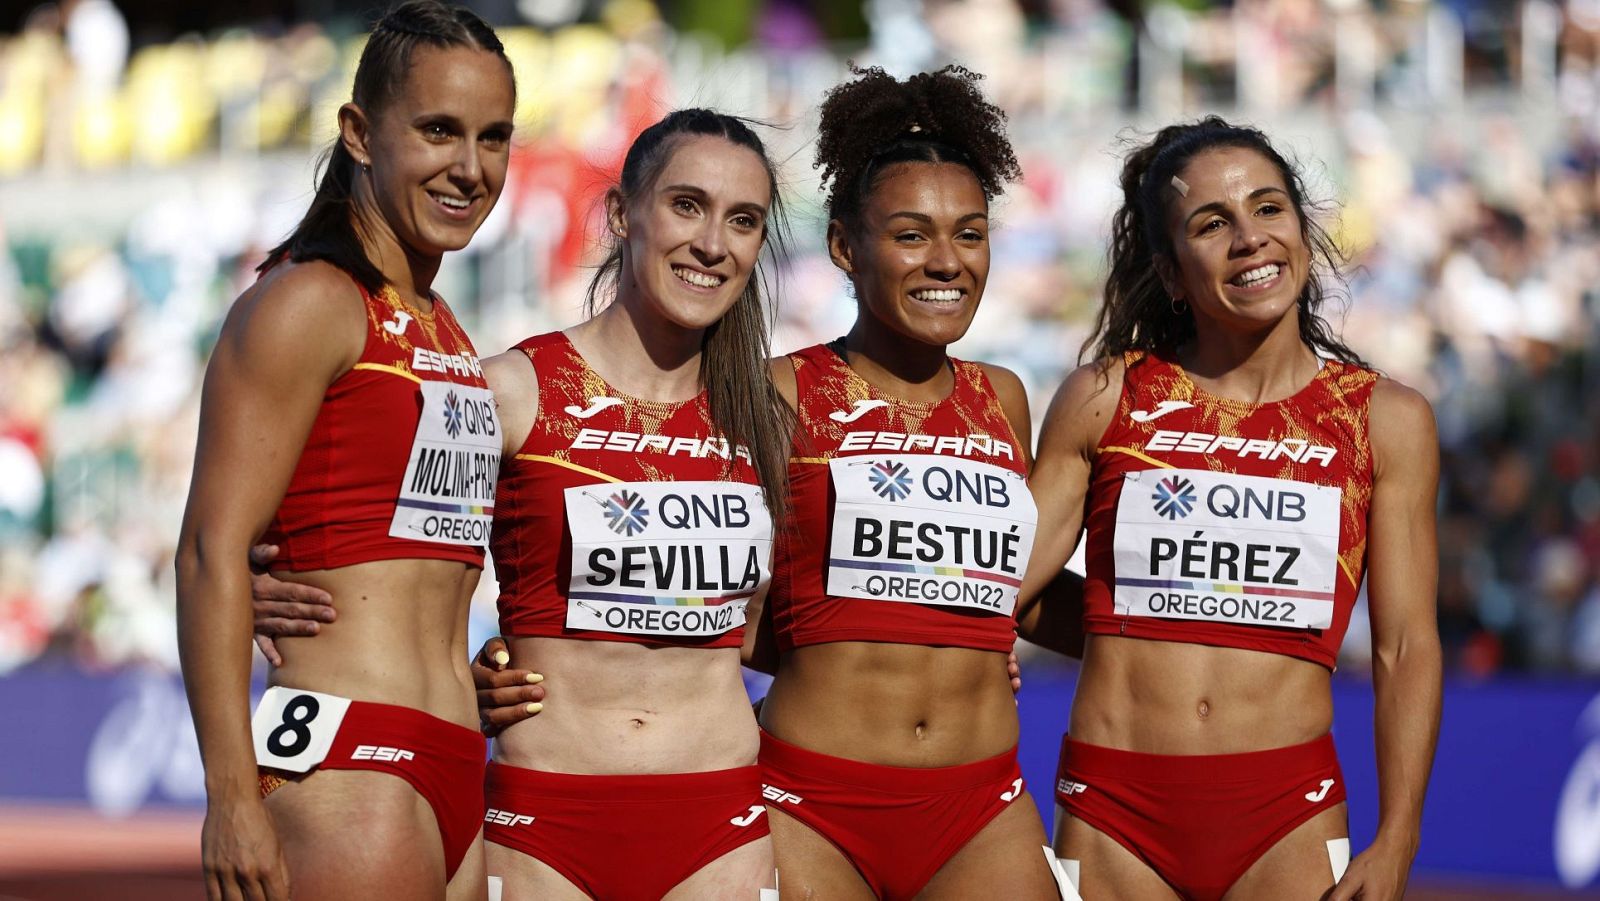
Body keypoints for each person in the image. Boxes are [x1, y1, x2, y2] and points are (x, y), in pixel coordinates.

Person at [252, 108, 793, 900]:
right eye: (686, 205)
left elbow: (788, 621)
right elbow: (381, 550)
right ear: (620, 215)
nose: (712, 242)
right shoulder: (503, 390)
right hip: (543, 825)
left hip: (720, 824)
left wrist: (949, 652)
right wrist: (269, 582)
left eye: (742, 220)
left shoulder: (769, 420)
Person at [1018, 116, 1442, 901]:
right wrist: (1133, 626)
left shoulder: (1386, 419)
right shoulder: (1105, 396)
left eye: (1268, 208)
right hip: (1113, 810)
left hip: (1290, 813)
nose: (1249, 238)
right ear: (1173, 273)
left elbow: (1407, 648)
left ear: (1305, 236)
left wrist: (1399, 836)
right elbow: (1003, 590)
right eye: (1212, 224)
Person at [175, 4, 514, 901]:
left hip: (451, 760)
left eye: (493, 137)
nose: (470, 168)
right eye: (439, 130)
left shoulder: (443, 324)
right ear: (360, 134)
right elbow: (211, 546)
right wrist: (230, 796)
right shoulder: (307, 301)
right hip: (352, 762)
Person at [742, 65, 1056, 900]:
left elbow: (1009, 597)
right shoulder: (777, 391)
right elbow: (716, 599)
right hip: (808, 802)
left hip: (981, 806)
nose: (946, 261)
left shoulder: (1007, 400)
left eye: (970, 232)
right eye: (912, 234)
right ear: (846, 246)